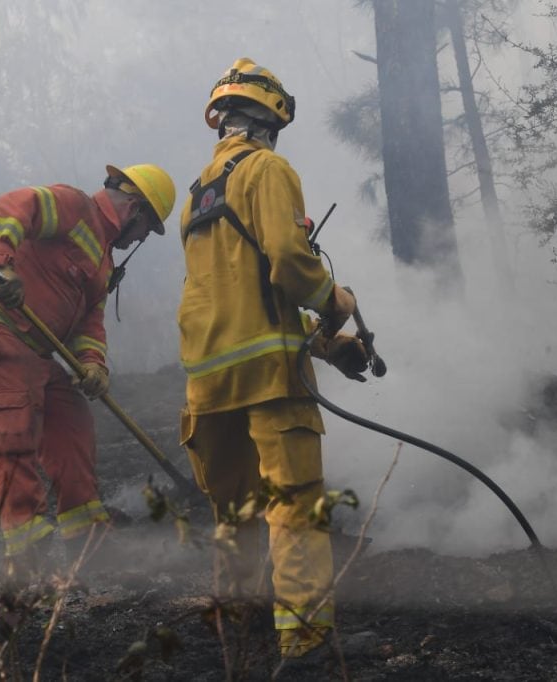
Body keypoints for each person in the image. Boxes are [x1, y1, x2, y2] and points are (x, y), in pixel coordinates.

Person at [177, 58, 370, 660]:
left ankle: (239, 625)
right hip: (270, 380)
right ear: (270, 120)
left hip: (208, 381)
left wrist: (324, 343)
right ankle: (305, 638)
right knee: (294, 506)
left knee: (234, 511)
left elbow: (244, 296)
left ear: (223, 121)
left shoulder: (197, 195)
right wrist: (335, 302)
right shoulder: (267, 170)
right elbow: (287, 264)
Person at [0, 163, 175, 577]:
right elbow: (11, 206)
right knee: (14, 434)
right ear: (134, 210)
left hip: (34, 349)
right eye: (146, 230)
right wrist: (2, 265)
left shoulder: (102, 261)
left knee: (72, 425)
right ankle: (26, 555)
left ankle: (88, 542)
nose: (140, 239)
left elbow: (89, 322)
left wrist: (92, 364)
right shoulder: (73, 205)